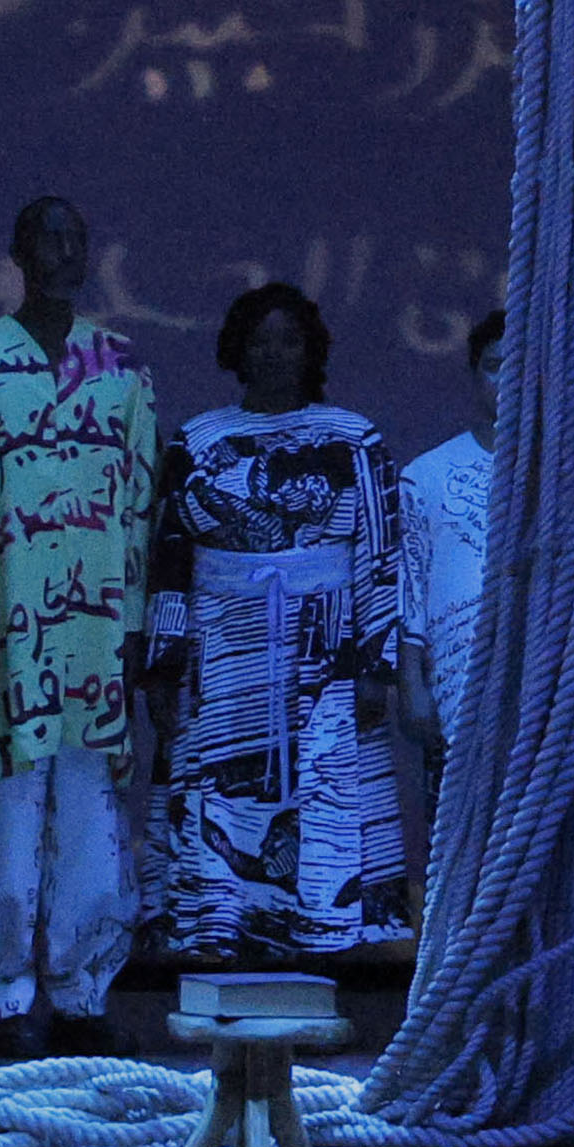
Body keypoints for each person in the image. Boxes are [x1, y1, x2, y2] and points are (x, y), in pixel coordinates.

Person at [0, 197, 165, 1044]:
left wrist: (134, 624)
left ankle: (84, 990)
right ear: (18, 250)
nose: (64, 250)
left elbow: (142, 502)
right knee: (9, 805)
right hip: (5, 624)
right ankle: (6, 994)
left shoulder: (121, 365)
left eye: (77, 236)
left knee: (94, 809)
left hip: (96, 627)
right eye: (47, 238)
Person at [154, 279, 409, 972]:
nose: (274, 352)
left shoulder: (353, 436)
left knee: (322, 789)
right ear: (237, 349)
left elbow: (381, 553)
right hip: (225, 642)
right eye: (260, 339)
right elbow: (170, 553)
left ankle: (319, 949)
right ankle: (223, 937)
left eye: (288, 339)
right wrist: (163, 662)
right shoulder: (200, 438)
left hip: (324, 646)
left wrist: (375, 662)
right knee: (227, 793)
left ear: (311, 349)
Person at [388, 303, 497, 874]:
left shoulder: (570, 475)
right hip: (456, 678)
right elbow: (411, 583)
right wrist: (412, 684)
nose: (509, 380)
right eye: (496, 366)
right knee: (457, 842)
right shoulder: (427, 474)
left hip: (548, 680)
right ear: (476, 374)